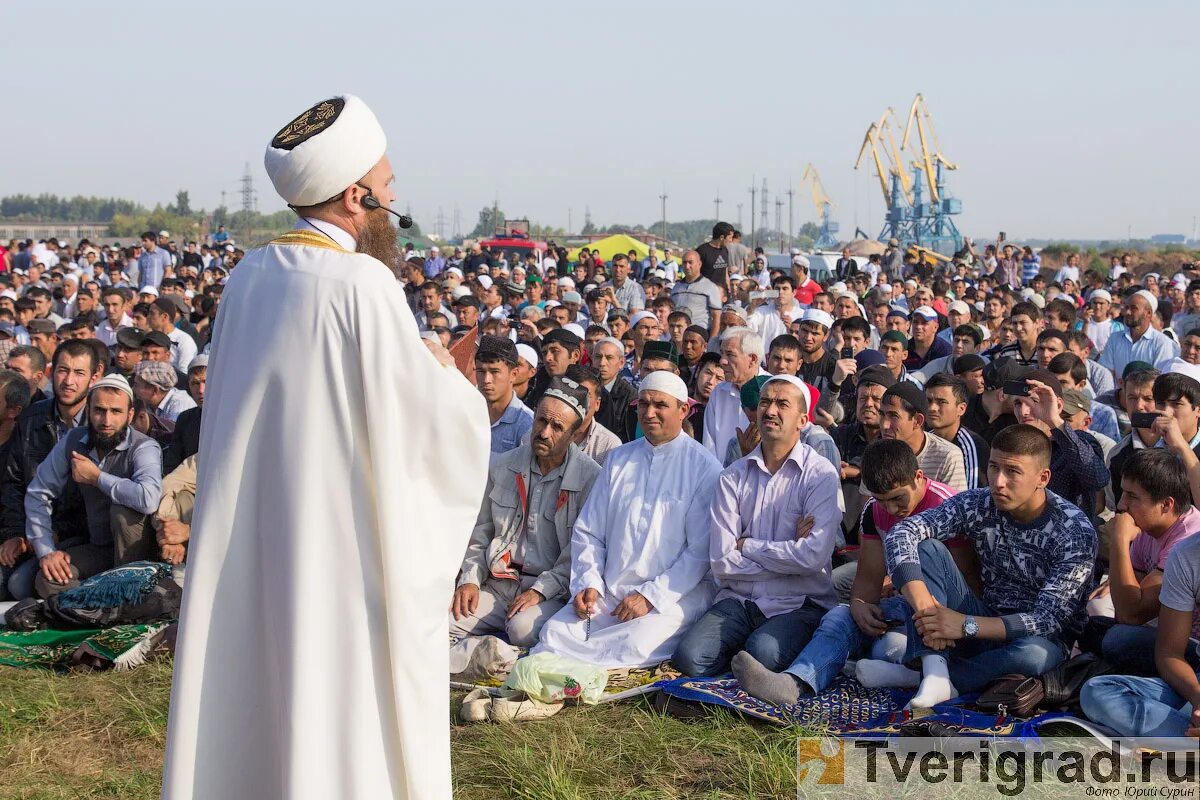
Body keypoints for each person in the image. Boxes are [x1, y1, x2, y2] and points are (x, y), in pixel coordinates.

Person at [163, 95, 490, 800]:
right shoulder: (362, 285)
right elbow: (431, 433)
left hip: (255, 543)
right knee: (338, 717)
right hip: (337, 553)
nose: (395, 198)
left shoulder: (249, 276)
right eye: (389, 185)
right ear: (356, 197)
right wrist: (452, 379)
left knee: (259, 701)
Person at [869, 424, 1098, 708]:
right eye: (993, 467)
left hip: (1035, 640)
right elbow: (903, 533)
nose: (998, 481)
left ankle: (918, 676)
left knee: (1035, 656)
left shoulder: (1074, 529)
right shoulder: (979, 503)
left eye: (1012, 472)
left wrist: (965, 625)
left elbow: (1046, 620)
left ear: (1043, 477)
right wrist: (926, 609)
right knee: (926, 546)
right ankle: (934, 667)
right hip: (981, 614)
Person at [733, 439, 965, 704]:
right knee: (840, 616)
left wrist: (929, 612)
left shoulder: (949, 506)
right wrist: (860, 607)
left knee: (889, 647)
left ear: (918, 477)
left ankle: (919, 672)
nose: (891, 509)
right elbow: (867, 581)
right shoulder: (874, 511)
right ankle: (795, 684)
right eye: (881, 500)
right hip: (906, 609)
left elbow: (965, 585)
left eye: (897, 498)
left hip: (948, 614)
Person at [534, 371, 721, 668]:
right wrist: (588, 583)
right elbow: (589, 532)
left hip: (672, 596)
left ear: (683, 410)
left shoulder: (705, 468)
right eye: (643, 404)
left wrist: (650, 597)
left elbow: (700, 553)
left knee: (635, 644)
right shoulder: (619, 459)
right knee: (555, 632)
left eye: (660, 405)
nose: (649, 413)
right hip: (611, 589)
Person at [672, 375, 841, 677]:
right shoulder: (732, 477)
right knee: (689, 658)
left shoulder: (819, 475)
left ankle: (754, 658)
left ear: (803, 419)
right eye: (765, 402)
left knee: (763, 652)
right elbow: (722, 562)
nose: (770, 410)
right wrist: (790, 553)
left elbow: (814, 557)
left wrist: (747, 545)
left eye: (782, 404)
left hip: (798, 601)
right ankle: (745, 661)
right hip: (739, 599)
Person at [450, 377, 601, 648]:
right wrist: (470, 579)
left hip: (548, 591)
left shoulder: (590, 479)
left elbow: (582, 553)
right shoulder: (504, 466)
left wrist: (541, 591)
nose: (544, 432)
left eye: (557, 427)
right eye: (541, 421)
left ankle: (496, 657)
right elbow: (481, 533)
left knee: (522, 630)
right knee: (447, 619)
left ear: (574, 434)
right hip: (499, 584)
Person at [26, 374, 163, 598]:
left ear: (129, 415)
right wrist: (46, 552)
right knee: (48, 579)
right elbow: (37, 493)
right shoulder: (73, 441)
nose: (106, 421)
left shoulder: (143, 447)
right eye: (99, 410)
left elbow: (148, 499)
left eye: (115, 412)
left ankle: (123, 592)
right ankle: (104, 600)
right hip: (98, 546)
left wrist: (97, 477)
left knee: (122, 511)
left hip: (138, 553)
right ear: (88, 411)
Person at [1084, 447, 1200, 676]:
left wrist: (1118, 540)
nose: (1121, 505)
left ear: (1166, 505)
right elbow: (1125, 606)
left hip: (1186, 646)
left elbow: (1131, 615)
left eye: (1132, 497)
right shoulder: (1148, 527)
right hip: (1160, 628)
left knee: (1117, 639)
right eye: (1122, 493)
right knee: (1089, 616)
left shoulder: (1186, 538)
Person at [878, 382, 968, 492]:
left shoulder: (948, 456)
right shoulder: (877, 451)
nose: (884, 425)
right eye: (882, 415)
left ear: (917, 421)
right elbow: (868, 505)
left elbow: (956, 506)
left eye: (893, 416)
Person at [702, 328, 766, 461]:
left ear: (752, 359)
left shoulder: (775, 389)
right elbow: (709, 447)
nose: (722, 361)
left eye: (730, 354)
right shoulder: (718, 393)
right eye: (722, 353)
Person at [924, 374, 990, 490]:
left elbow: (971, 498)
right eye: (928, 401)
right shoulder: (924, 441)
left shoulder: (973, 446)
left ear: (961, 409)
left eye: (941, 402)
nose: (932, 408)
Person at [474, 335, 533, 455]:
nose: (486, 379)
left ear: (513, 374)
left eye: (495, 371)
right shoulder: (468, 412)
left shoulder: (526, 424)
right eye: (481, 371)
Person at [1100, 290, 1175, 378]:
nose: (1127, 312)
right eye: (1127, 307)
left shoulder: (1163, 343)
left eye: (1133, 308)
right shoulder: (1115, 338)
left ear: (1148, 313)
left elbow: (1159, 379)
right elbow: (1106, 372)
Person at [566, 364, 622, 465]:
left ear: (597, 404)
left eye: (586, 396)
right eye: (572, 394)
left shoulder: (609, 445)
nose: (578, 401)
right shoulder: (546, 431)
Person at [671, 250, 722, 336]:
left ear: (699, 264)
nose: (687, 266)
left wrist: (712, 341)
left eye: (690, 262)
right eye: (684, 263)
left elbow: (716, 317)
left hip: (699, 336)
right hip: (679, 336)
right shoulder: (676, 287)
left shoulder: (710, 287)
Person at [133, 359, 196, 424]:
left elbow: (172, 432)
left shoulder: (180, 404)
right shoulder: (147, 403)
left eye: (136, 385)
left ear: (155, 390)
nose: (133, 388)